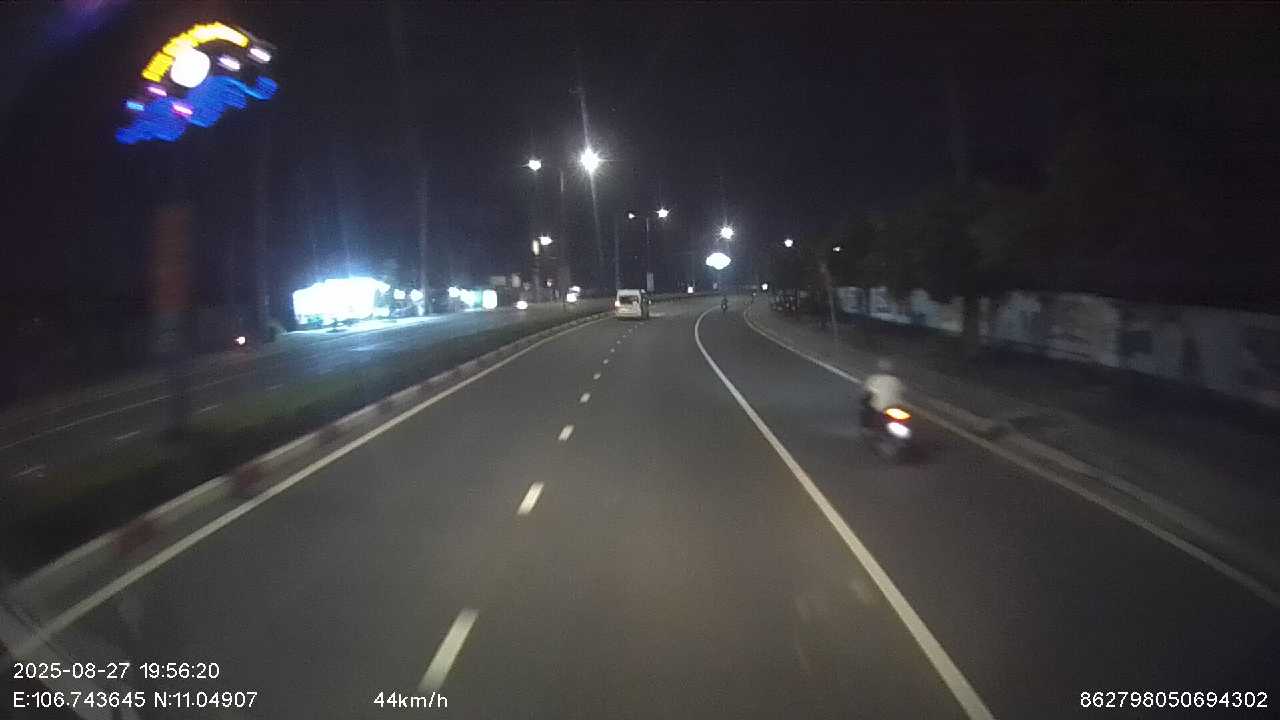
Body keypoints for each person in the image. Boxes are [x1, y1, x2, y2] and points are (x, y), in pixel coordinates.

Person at [860, 357, 905, 429]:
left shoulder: (874, 379)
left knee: (865, 406)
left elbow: (866, 392)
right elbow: (902, 393)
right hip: (893, 408)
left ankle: (865, 427)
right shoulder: (897, 381)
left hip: (876, 408)